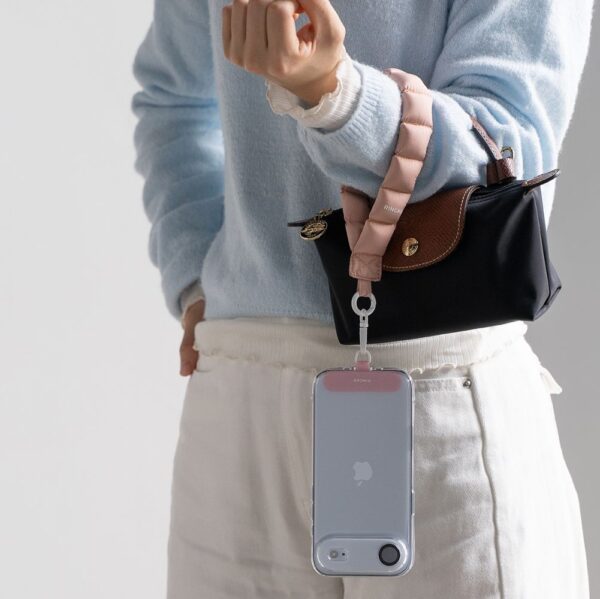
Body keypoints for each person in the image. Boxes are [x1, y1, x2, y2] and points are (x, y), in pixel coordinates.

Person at [131, 0, 593, 596]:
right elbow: (174, 101)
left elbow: (507, 149)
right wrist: (195, 276)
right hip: (237, 393)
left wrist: (338, 96)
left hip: (436, 395)